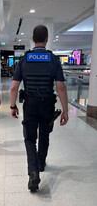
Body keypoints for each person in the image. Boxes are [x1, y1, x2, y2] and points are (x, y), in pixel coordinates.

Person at [10, 25, 68, 191]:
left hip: (30, 104)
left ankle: (33, 172)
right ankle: (41, 163)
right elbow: (61, 87)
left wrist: (13, 106)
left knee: (29, 139)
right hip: (48, 104)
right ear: (47, 39)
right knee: (44, 134)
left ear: (33, 39)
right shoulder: (53, 59)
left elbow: (14, 87)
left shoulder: (25, 59)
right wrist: (65, 110)